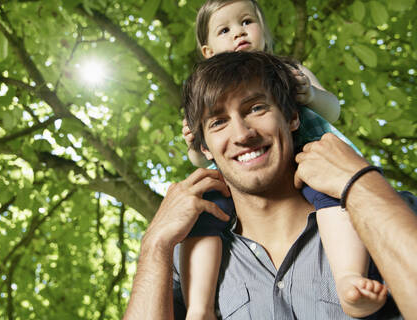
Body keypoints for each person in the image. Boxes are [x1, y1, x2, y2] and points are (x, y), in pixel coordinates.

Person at [123, 51, 417, 320]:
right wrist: (154, 244)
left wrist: (361, 182)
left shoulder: (383, 209)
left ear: (291, 117)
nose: (242, 134)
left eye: (256, 108)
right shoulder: (184, 264)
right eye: (218, 122)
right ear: (205, 149)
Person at [180, 1, 384, 319]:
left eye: (247, 21)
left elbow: (332, 109)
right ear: (208, 51)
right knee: (203, 216)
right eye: (225, 30)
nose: (239, 33)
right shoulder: (205, 93)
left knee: (333, 200)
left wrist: (311, 94)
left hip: (310, 159)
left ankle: (347, 279)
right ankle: (199, 307)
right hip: (233, 180)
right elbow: (197, 157)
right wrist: (195, 141)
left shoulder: (289, 69)